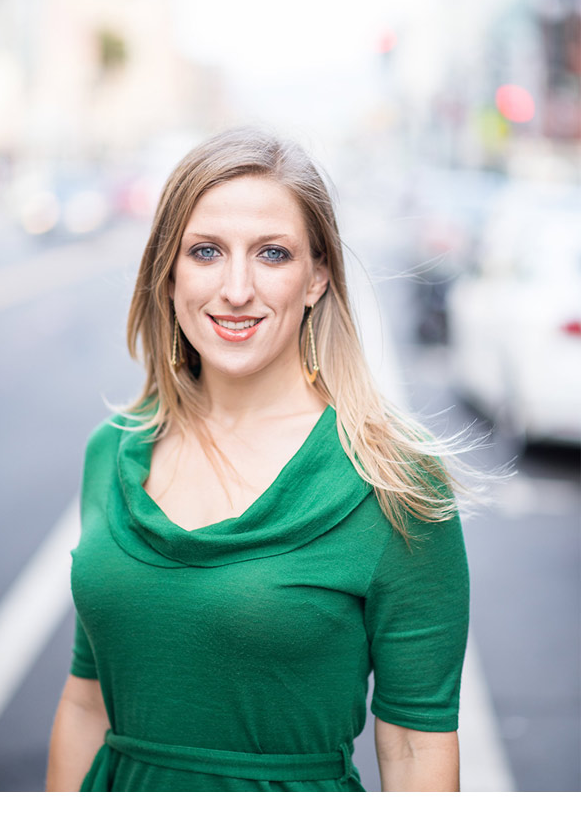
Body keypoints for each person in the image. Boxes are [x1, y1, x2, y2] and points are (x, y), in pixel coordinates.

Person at [46, 127, 473, 792]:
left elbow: (418, 749)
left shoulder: (394, 480)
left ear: (317, 276)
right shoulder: (112, 452)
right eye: (206, 251)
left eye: (272, 253)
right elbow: (85, 702)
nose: (236, 288)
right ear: (169, 270)